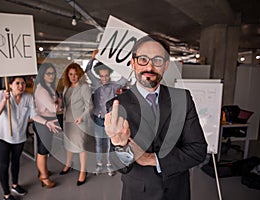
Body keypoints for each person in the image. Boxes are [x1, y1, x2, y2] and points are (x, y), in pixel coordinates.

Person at [104, 35, 207, 200]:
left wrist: (150, 159)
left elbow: (198, 151)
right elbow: (120, 167)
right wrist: (120, 146)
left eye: (157, 60)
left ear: (165, 65)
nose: (150, 67)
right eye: (143, 59)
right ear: (133, 63)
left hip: (177, 191)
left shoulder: (183, 99)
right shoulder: (117, 105)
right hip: (138, 193)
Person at [0, 76, 61, 200]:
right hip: (3, 137)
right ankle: (7, 194)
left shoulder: (28, 97)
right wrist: (4, 100)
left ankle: (15, 185)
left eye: (23, 83)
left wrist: (46, 122)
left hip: (19, 137)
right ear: (11, 84)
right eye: (17, 83)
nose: (20, 86)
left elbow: (34, 115)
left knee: (16, 162)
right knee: (4, 164)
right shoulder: (2, 94)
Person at [85, 50, 127, 176]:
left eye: (106, 75)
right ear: (99, 76)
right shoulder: (96, 84)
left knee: (109, 143)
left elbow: (125, 78)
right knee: (99, 143)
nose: (104, 78)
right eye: (102, 76)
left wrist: (125, 62)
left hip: (110, 119)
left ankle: (109, 165)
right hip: (98, 118)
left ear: (109, 75)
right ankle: (99, 165)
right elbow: (87, 71)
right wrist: (92, 59)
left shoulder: (114, 86)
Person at [60, 63, 94, 186]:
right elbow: (66, 104)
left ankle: (83, 171)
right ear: (67, 75)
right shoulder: (67, 87)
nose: (73, 77)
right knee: (68, 144)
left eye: (75, 74)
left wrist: (81, 117)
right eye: (70, 74)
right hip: (67, 120)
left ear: (79, 74)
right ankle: (68, 165)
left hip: (79, 122)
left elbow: (90, 106)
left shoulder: (84, 87)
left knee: (81, 147)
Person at [33, 63, 61, 188]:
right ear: (42, 75)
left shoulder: (49, 87)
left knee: (45, 149)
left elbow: (56, 105)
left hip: (49, 121)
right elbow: (54, 108)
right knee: (43, 151)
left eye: (53, 73)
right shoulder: (42, 89)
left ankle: (43, 171)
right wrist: (58, 103)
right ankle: (44, 177)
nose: (52, 76)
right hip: (44, 122)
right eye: (48, 73)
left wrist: (57, 103)